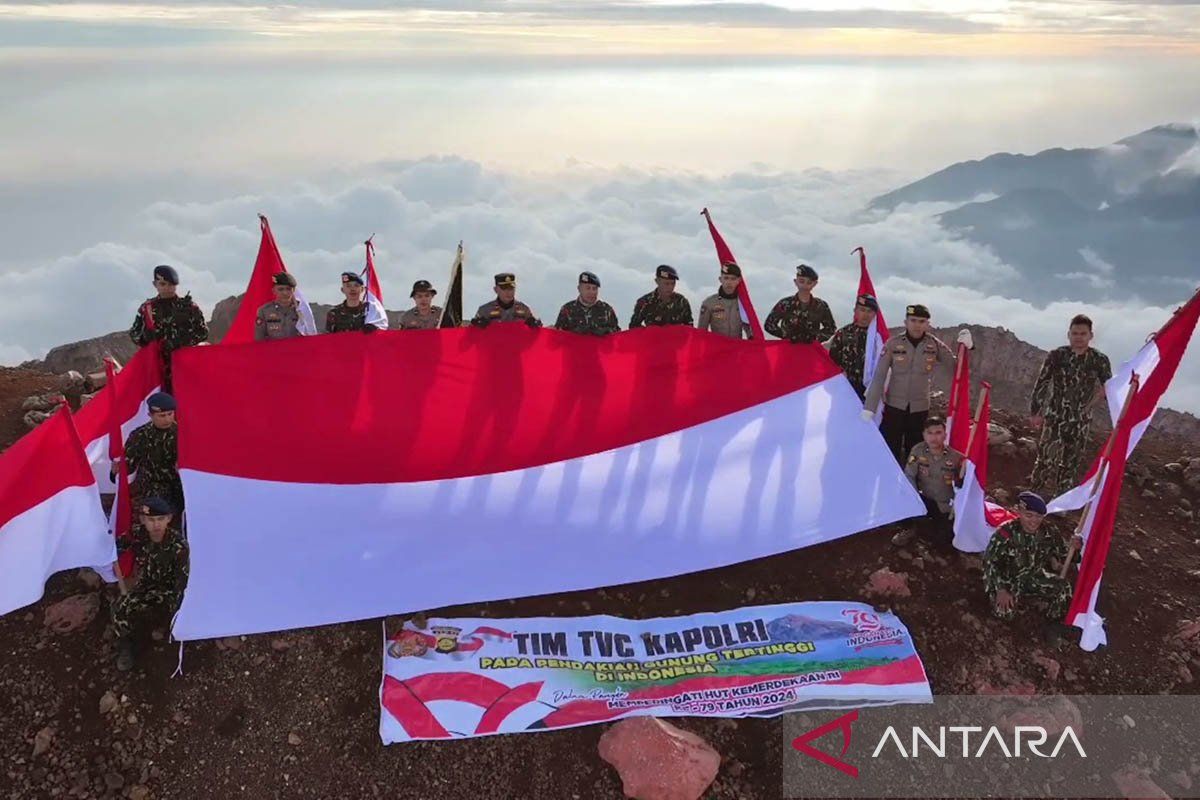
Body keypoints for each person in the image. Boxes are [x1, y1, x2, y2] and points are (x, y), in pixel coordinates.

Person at [862, 304, 973, 464]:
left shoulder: (934, 345)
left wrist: (966, 347)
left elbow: (957, 367)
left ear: (927, 324)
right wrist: (869, 408)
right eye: (913, 320)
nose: (917, 325)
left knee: (915, 450)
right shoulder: (893, 344)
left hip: (919, 408)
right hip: (895, 406)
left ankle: (910, 485)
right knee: (889, 448)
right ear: (905, 322)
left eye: (921, 321)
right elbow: (879, 377)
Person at [1029, 314, 1113, 496]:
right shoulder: (1057, 355)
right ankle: (1033, 497)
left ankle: (1061, 503)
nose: (1078, 337)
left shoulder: (1099, 360)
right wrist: (1036, 411)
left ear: (1091, 335)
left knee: (1071, 464)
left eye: (1083, 333)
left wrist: (1092, 404)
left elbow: (1110, 387)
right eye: (1075, 333)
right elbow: (1042, 382)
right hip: (1055, 418)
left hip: (1081, 421)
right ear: (1069, 334)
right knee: (1045, 459)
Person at [982, 492, 1080, 642]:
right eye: (1029, 515)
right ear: (1019, 512)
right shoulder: (1005, 533)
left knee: (1063, 588)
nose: (1034, 521)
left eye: (1039, 517)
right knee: (1004, 613)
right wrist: (1001, 589)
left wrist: (1075, 548)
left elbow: (1066, 555)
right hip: (1009, 581)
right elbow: (989, 562)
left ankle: (1052, 624)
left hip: (1035, 577)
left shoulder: (1049, 532)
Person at [111, 496, 189, 671]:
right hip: (146, 588)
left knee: (175, 613)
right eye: (151, 520)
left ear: (169, 519)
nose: (156, 524)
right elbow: (113, 548)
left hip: (169, 593)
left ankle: (165, 632)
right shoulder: (137, 534)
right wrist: (107, 546)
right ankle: (126, 646)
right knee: (119, 608)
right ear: (143, 519)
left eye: (161, 519)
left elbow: (182, 584)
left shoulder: (179, 546)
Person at [128, 265, 209, 393]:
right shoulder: (147, 309)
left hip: (185, 365)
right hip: (157, 368)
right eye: (163, 284)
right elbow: (134, 333)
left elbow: (203, 332)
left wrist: (181, 342)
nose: (167, 288)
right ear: (155, 284)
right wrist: (144, 337)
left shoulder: (189, 308)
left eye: (171, 285)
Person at [895, 416, 963, 548]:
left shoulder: (955, 457)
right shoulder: (918, 451)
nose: (934, 437)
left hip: (944, 505)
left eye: (938, 433)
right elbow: (909, 475)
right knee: (901, 495)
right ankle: (908, 528)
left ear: (945, 435)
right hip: (924, 499)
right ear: (924, 435)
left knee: (944, 543)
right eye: (929, 433)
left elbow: (963, 485)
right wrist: (914, 499)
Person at [124, 392, 182, 513]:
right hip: (152, 487)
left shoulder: (183, 434)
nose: (167, 419)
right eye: (161, 415)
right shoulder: (140, 435)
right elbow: (128, 466)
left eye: (170, 414)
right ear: (150, 415)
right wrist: (117, 470)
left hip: (179, 486)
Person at [763, 264, 836, 343]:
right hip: (788, 349)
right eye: (801, 281)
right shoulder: (785, 304)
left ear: (814, 284)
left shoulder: (821, 306)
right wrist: (787, 336)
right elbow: (769, 325)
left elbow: (831, 328)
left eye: (809, 282)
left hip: (810, 349)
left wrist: (815, 338)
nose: (805, 286)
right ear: (795, 282)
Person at [825, 294, 879, 400]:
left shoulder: (878, 337)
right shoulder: (843, 333)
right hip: (845, 385)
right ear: (855, 311)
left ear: (874, 314)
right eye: (862, 310)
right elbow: (832, 360)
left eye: (869, 311)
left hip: (869, 388)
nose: (866, 315)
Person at [697, 262, 752, 339]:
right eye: (726, 278)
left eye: (733, 279)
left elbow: (750, 330)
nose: (729, 282)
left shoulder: (743, 304)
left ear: (739, 280)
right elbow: (701, 332)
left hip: (737, 348)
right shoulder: (709, 303)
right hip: (717, 348)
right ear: (720, 279)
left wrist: (752, 340)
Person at [554, 272, 620, 335]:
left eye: (594, 289)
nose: (591, 292)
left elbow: (617, 337)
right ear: (579, 289)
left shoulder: (607, 310)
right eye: (588, 288)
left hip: (599, 346)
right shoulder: (567, 310)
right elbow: (558, 336)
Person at [628, 265, 693, 328]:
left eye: (673, 283)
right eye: (666, 284)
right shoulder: (645, 302)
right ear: (657, 281)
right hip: (652, 338)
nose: (670, 287)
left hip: (676, 339)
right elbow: (634, 326)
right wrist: (649, 333)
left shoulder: (681, 302)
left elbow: (689, 328)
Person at [471, 273, 541, 327]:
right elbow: (470, 335)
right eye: (504, 288)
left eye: (511, 288)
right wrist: (477, 326)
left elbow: (537, 334)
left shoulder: (524, 310)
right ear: (496, 290)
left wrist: (536, 325)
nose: (508, 292)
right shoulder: (485, 310)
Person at [255, 272, 308, 341]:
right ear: (273, 291)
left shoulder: (302, 309)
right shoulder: (264, 311)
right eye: (281, 289)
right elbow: (259, 339)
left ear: (294, 290)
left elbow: (310, 334)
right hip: (273, 351)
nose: (285, 293)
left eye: (288, 289)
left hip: (297, 350)